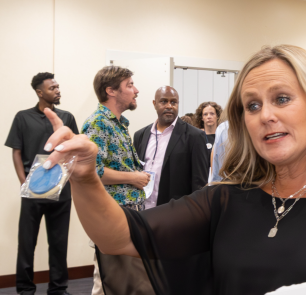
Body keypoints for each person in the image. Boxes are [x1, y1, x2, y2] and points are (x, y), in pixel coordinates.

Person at [40, 45, 306, 294]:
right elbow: (119, 237)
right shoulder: (227, 198)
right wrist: (87, 177)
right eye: (252, 106)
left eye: (282, 99)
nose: (266, 116)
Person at [5, 72, 77, 295]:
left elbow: (74, 151)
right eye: (52, 88)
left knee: (58, 243)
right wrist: (24, 183)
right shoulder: (22, 117)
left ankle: (58, 289)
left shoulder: (67, 117)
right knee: (26, 244)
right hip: (32, 192)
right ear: (39, 92)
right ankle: (25, 289)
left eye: (58, 86)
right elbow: (16, 152)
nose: (57, 90)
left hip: (61, 191)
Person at [81, 65, 151, 294]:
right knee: (107, 280)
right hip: (113, 213)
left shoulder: (120, 124)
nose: (136, 90)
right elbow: (92, 170)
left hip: (130, 212)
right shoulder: (98, 123)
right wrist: (133, 177)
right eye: (129, 85)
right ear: (111, 91)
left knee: (127, 279)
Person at [133, 86, 209, 209]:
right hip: (142, 211)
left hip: (174, 213)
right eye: (164, 101)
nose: (169, 106)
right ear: (155, 103)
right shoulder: (140, 135)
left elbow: (199, 184)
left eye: (173, 102)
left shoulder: (194, 136)